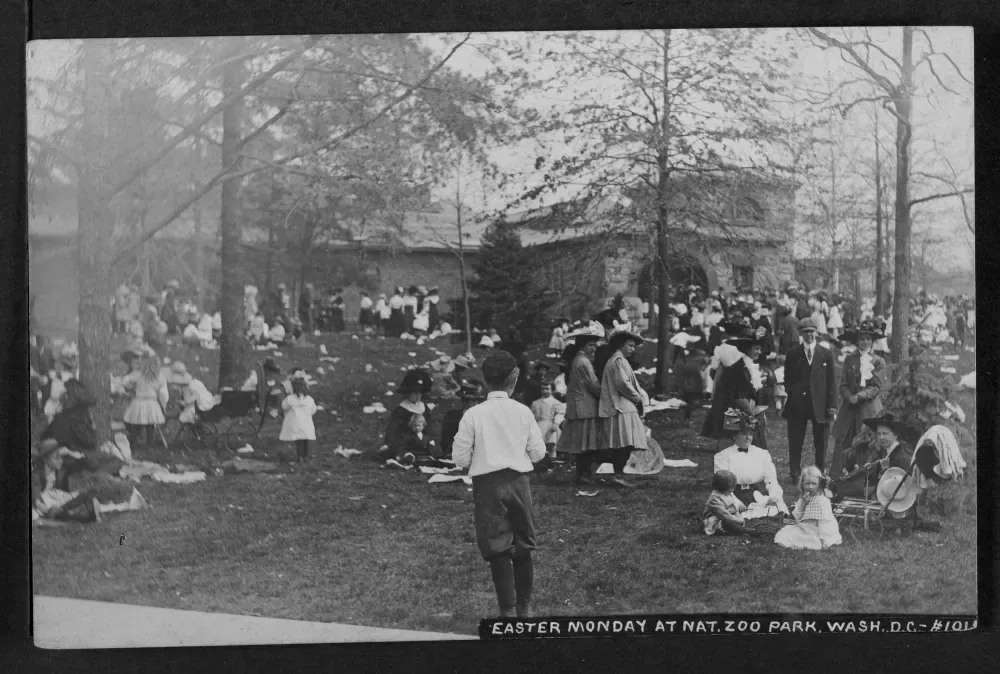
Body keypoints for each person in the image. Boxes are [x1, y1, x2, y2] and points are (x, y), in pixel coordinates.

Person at [451, 350, 547, 618]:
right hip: (519, 482)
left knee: (497, 545)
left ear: (485, 380)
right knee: (523, 543)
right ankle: (524, 607)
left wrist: (483, 456)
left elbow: (459, 457)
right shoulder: (523, 411)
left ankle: (507, 609)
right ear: (514, 379)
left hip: (487, 484)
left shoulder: (473, 414)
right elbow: (539, 453)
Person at [829, 319, 887, 478]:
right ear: (857, 341)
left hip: (868, 409)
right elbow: (843, 384)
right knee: (846, 441)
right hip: (849, 409)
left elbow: (876, 387)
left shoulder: (878, 361)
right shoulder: (850, 359)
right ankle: (840, 477)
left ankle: (866, 477)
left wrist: (859, 396)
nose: (865, 341)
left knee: (866, 442)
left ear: (873, 341)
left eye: (868, 338)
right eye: (862, 338)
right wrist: (849, 396)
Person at [782, 318, 837, 479]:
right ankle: (795, 472)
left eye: (812, 331)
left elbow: (832, 381)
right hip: (798, 405)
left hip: (820, 405)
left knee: (821, 441)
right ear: (800, 333)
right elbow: (787, 379)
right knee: (795, 439)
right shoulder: (793, 354)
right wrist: (795, 394)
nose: (809, 335)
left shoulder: (825, 354)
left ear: (817, 333)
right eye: (805, 332)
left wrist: (832, 404)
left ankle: (820, 471)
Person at [701, 326, 771, 449]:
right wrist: (752, 413)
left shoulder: (749, 366)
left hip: (747, 413)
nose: (759, 352)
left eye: (759, 349)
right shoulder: (738, 369)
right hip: (739, 415)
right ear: (747, 349)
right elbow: (736, 396)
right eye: (756, 349)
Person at [597, 323, 648, 489]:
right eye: (630, 345)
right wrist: (638, 398)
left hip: (624, 406)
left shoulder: (620, 361)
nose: (633, 349)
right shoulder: (618, 361)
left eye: (634, 346)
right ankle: (617, 474)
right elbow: (623, 384)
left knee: (626, 442)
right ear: (621, 345)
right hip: (621, 406)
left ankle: (618, 473)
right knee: (624, 442)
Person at [713, 403, 787, 513]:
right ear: (734, 436)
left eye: (750, 434)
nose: (748, 437)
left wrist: (773, 495)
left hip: (757, 494)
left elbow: (771, 480)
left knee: (774, 511)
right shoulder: (722, 456)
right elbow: (722, 486)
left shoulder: (762, 454)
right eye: (744, 434)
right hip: (733, 495)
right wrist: (735, 502)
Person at [556, 326, 605, 485]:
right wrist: (606, 396)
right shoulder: (583, 361)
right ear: (583, 346)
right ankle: (584, 474)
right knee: (587, 443)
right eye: (591, 345)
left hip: (579, 405)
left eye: (594, 344)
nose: (594, 348)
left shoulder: (577, 360)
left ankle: (581, 473)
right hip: (585, 406)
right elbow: (594, 385)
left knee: (582, 443)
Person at [773, 466, 843, 550]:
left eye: (814, 484)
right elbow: (796, 516)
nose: (810, 487)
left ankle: (816, 542)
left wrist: (823, 538)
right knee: (784, 534)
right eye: (807, 483)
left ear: (819, 484)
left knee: (812, 541)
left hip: (817, 530)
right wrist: (803, 503)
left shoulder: (823, 500)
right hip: (804, 527)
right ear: (802, 484)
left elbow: (826, 522)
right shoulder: (803, 498)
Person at [122, 353, 169, 450]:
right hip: (152, 402)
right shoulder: (160, 376)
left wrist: (129, 386)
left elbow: (125, 379)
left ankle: (133, 446)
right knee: (150, 425)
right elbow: (163, 393)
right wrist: (163, 405)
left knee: (136, 424)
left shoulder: (139, 373)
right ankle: (149, 446)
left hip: (138, 402)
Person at [384, 369, 433, 452]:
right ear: (408, 393)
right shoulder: (402, 409)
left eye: (419, 393)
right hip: (406, 440)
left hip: (422, 438)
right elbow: (393, 429)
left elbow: (428, 426)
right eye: (414, 393)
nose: (417, 396)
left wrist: (429, 438)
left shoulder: (423, 407)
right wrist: (390, 443)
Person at [280, 376, 318, 463]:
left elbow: (284, 406)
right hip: (307, 423)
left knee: (299, 440)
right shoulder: (309, 399)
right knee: (306, 439)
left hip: (295, 423)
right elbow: (313, 410)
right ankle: (306, 456)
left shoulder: (290, 398)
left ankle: (300, 457)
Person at [702, 469, 747, 535]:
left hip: (726, 515)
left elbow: (732, 503)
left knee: (733, 520)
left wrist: (740, 506)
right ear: (729, 489)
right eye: (732, 488)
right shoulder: (714, 500)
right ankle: (742, 530)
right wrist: (738, 520)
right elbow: (724, 514)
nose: (732, 490)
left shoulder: (725, 493)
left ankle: (739, 528)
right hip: (715, 519)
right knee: (726, 523)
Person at [531, 381, 565, 463]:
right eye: (543, 389)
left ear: (552, 390)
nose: (545, 391)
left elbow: (560, 414)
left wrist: (556, 423)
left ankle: (552, 464)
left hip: (550, 426)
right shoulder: (535, 403)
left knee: (551, 445)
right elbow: (531, 416)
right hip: (538, 426)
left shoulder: (556, 403)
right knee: (538, 445)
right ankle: (540, 464)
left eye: (547, 389)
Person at [675, 348, 709, 422]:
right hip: (692, 389)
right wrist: (701, 389)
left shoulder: (690, 364)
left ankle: (686, 419)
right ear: (696, 356)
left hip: (688, 388)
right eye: (702, 356)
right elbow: (697, 379)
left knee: (690, 404)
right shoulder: (694, 365)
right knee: (693, 404)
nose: (704, 357)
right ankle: (687, 419)